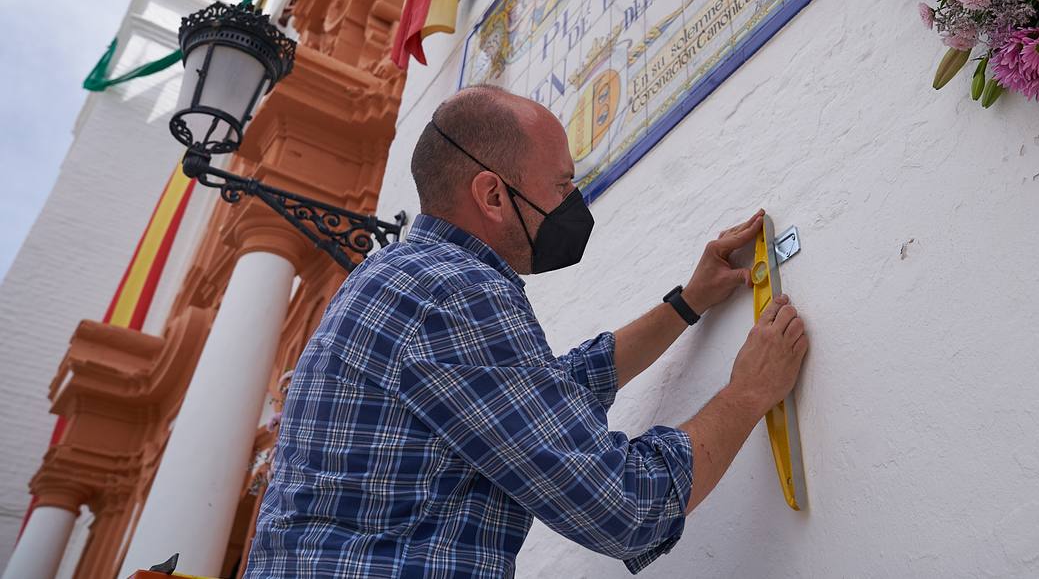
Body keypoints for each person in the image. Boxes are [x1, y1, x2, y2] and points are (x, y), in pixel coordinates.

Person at [244, 85, 809, 578]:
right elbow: (626, 509)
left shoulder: (402, 276)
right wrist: (749, 391)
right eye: (561, 185)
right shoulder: (456, 290)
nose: (573, 203)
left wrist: (687, 303)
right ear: (492, 196)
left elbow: (549, 394)